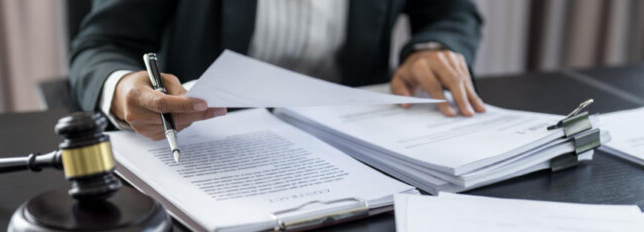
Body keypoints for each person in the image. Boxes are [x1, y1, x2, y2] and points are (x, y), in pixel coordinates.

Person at [71, 0, 485, 140]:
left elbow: (452, 12)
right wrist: (123, 86)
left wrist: (434, 48)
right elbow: (102, 44)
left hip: (354, 135)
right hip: (209, 138)